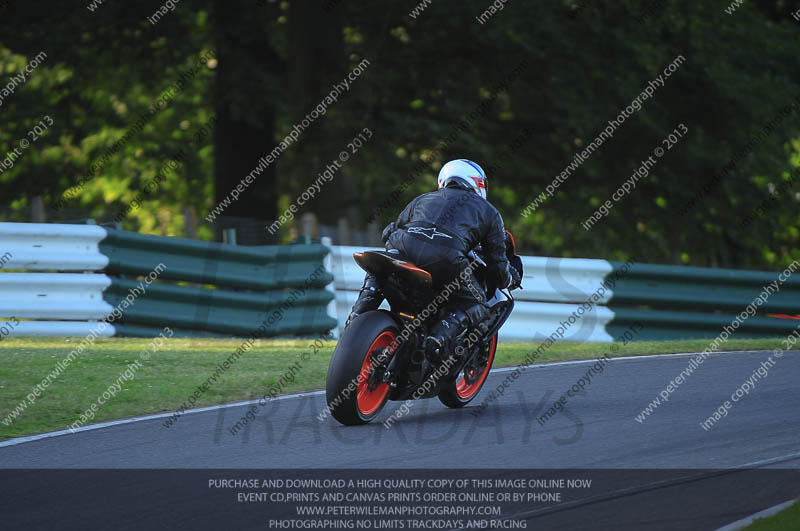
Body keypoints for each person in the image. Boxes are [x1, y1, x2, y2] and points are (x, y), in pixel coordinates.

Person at [346, 159, 521, 361]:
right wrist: (507, 280)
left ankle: (358, 313)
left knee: (381, 269)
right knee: (478, 304)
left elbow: (390, 231)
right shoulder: (490, 212)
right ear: (478, 184)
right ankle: (436, 340)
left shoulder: (423, 199)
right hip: (446, 261)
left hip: (402, 249)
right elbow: (497, 263)